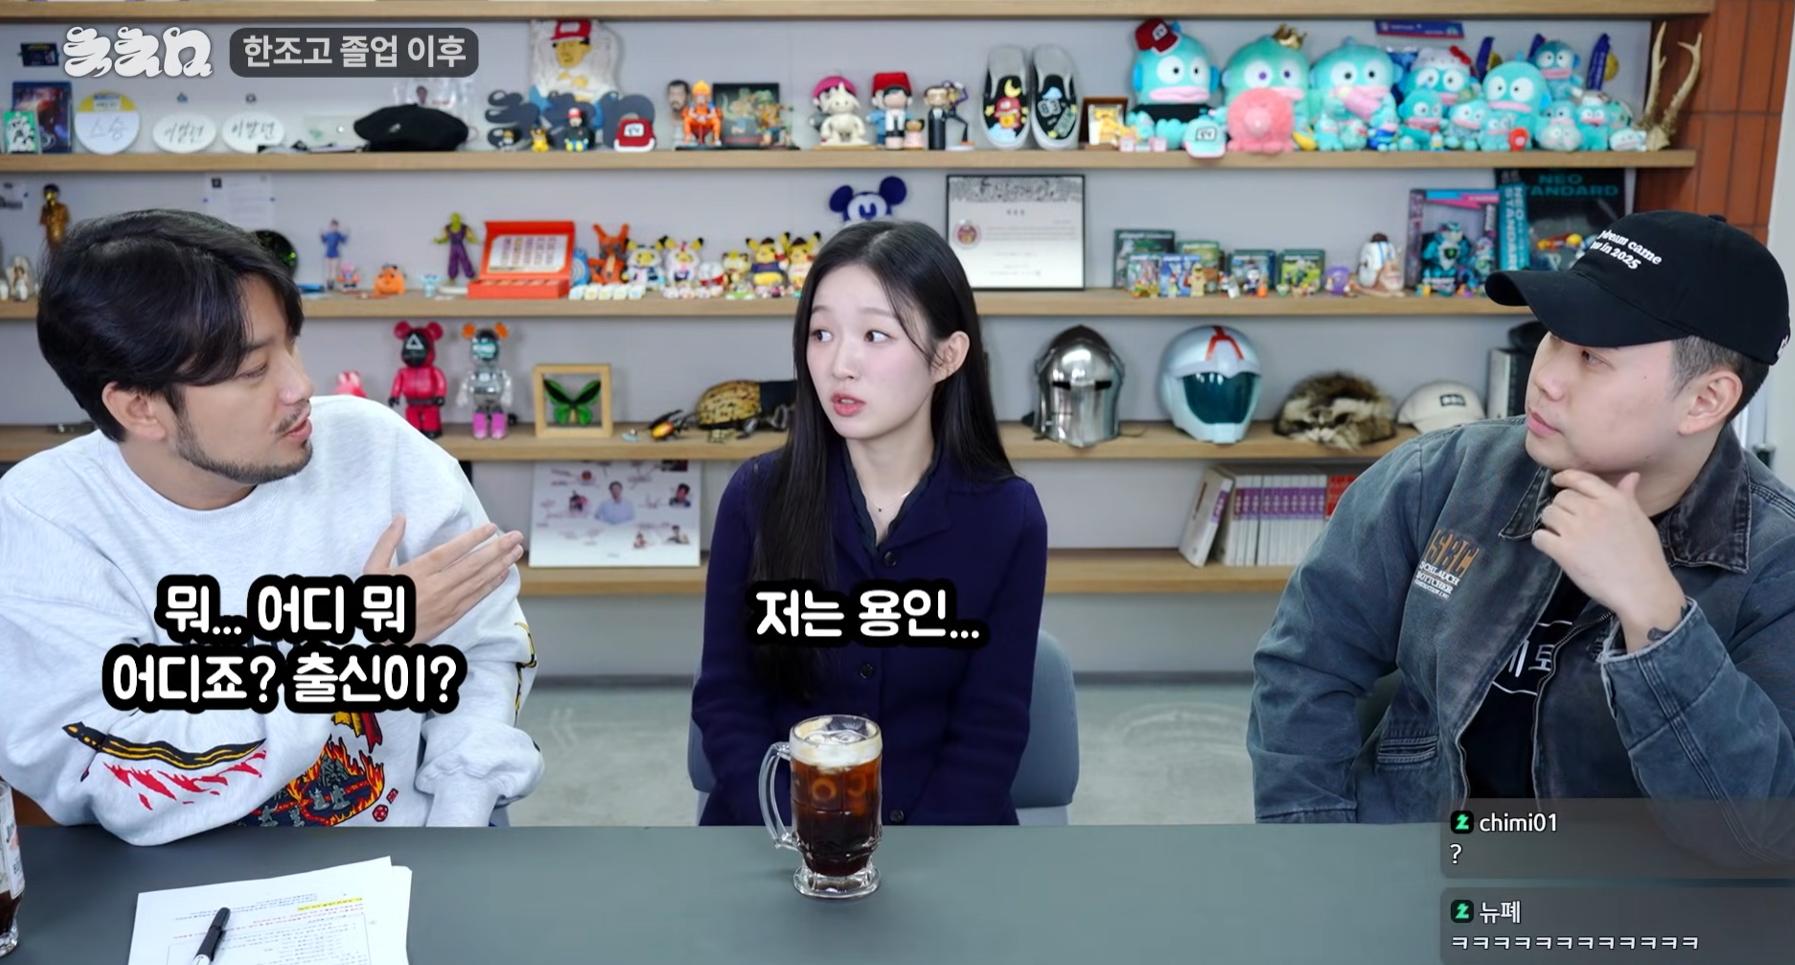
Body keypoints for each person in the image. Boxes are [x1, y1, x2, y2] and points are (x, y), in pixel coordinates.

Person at [1247, 211, 1795, 853]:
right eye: (1553, 336)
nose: (1547, 378)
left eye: (1591, 357)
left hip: (1620, 897)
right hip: (1418, 860)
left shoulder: (1777, 565)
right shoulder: (1439, 475)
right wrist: (1312, 855)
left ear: (1705, 400)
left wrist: (1657, 618)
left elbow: (1758, 835)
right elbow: (1305, 666)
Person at [0, 209, 543, 846]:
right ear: (139, 407)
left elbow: (485, 653)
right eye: (253, 371)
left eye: (291, 344)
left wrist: (456, 832)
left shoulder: (380, 450)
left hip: (405, 851)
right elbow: (118, 773)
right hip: (172, 876)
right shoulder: (48, 519)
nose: (300, 386)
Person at [693, 220, 1048, 828]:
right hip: (775, 834)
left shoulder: (1008, 516)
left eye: (875, 335)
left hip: (948, 842)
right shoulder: (756, 496)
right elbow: (728, 700)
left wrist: (906, 860)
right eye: (821, 333)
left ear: (946, 356)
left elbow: (991, 727)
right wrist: (799, 831)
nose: (840, 364)